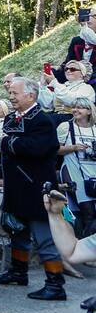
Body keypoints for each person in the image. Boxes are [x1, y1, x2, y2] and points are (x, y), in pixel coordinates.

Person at [0, 76, 67, 300]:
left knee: (44, 236)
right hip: (17, 187)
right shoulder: (12, 119)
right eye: (11, 92)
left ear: (30, 96)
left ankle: (56, 285)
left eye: (15, 93)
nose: (10, 96)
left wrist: (8, 143)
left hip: (37, 189)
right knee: (18, 231)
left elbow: (37, 148)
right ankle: (18, 272)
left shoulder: (43, 120)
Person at [56, 98, 96, 236]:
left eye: (80, 107)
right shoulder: (66, 127)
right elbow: (55, 149)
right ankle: (85, 247)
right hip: (74, 170)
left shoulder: (95, 128)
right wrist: (73, 147)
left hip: (93, 172)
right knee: (88, 211)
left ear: (89, 111)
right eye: (74, 107)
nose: (76, 110)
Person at [53, 8, 96, 87]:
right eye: (83, 24)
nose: (89, 18)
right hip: (75, 78)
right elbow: (69, 61)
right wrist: (56, 70)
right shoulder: (77, 41)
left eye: (89, 24)